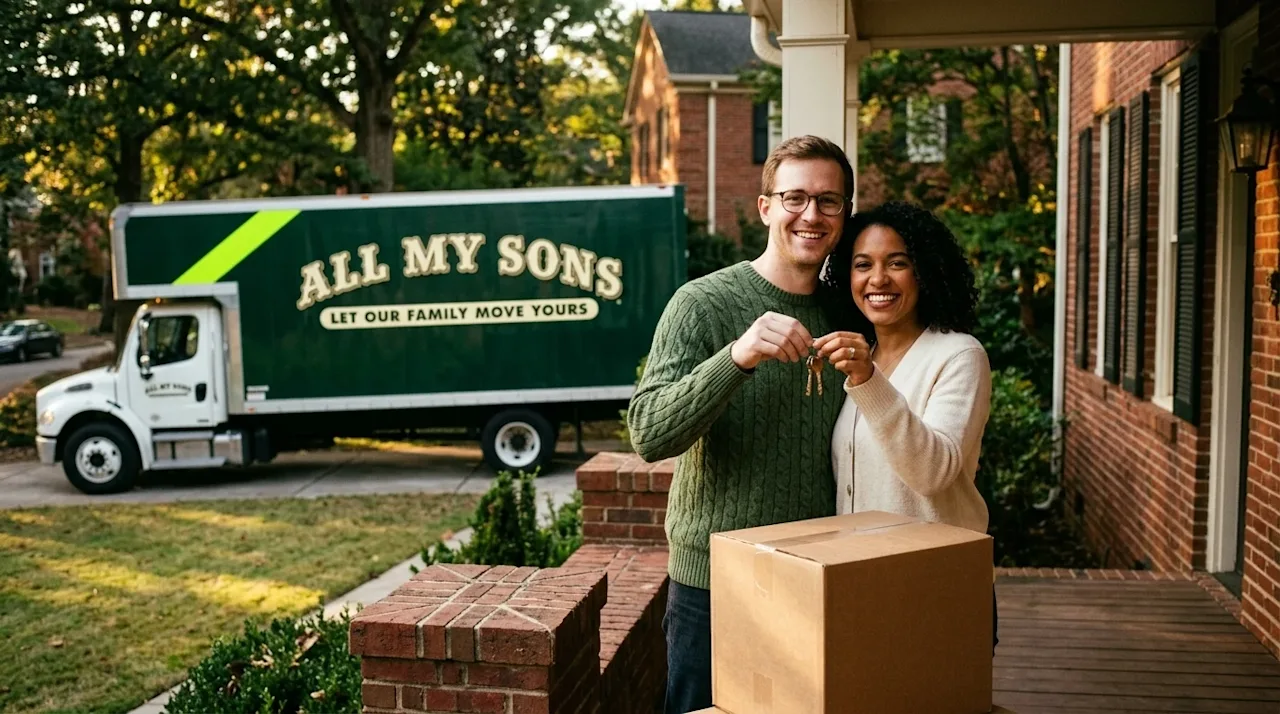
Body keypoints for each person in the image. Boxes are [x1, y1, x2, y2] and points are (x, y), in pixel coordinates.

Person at [628, 135, 855, 714]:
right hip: (714, 581)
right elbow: (649, 434)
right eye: (795, 197)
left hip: (816, 577)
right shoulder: (702, 303)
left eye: (829, 201)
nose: (812, 214)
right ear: (765, 207)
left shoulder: (848, 311)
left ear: (845, 214)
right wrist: (737, 356)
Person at [812, 199, 997, 652]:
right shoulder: (864, 356)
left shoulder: (958, 356)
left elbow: (932, 472)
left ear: (924, 272)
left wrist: (867, 381)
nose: (878, 279)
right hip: (862, 582)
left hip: (936, 587)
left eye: (897, 263)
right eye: (862, 265)